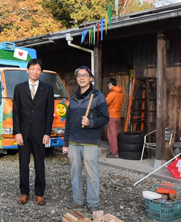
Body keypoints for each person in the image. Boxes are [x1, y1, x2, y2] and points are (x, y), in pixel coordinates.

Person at [63, 66, 110, 213]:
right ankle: (78, 200)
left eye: (85, 75)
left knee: (92, 173)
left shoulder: (97, 96)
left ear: (91, 78)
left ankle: (93, 202)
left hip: (90, 141)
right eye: (79, 75)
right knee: (74, 172)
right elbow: (68, 122)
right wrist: (66, 143)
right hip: (74, 141)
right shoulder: (74, 97)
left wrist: (91, 122)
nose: (81, 77)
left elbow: (105, 118)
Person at [12, 58, 54, 206]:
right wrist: (17, 132)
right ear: (27, 70)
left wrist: (47, 133)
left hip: (40, 132)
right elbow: (15, 112)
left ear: (41, 72)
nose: (35, 71)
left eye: (38, 69)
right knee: (23, 163)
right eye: (33, 68)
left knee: (39, 164)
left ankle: (40, 193)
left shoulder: (48, 88)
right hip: (23, 133)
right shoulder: (19, 88)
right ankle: (24, 192)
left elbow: (50, 112)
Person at [105, 78, 124, 158]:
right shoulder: (121, 93)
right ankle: (116, 150)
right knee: (115, 134)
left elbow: (105, 103)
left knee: (111, 135)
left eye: (108, 85)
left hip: (111, 116)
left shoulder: (112, 93)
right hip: (118, 115)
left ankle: (114, 152)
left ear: (110, 84)